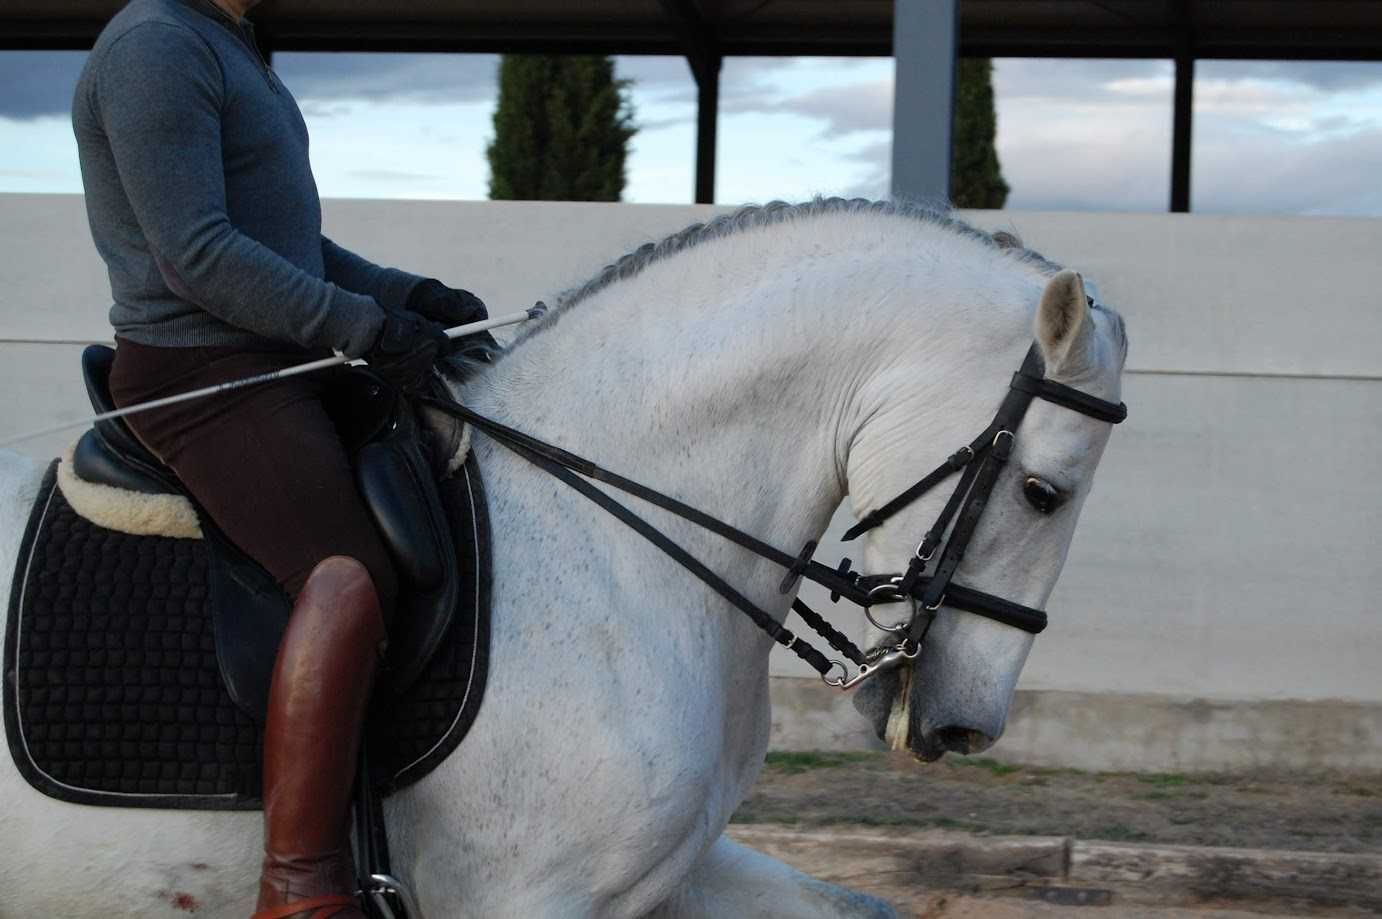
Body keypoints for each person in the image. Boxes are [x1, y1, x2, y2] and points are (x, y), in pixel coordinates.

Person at [72, 1, 489, 916]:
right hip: (205, 369)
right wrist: (364, 327)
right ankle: (298, 885)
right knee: (348, 573)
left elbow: (292, 247)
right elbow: (197, 255)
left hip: (277, 357)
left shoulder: (228, 44)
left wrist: (406, 294)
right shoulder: (155, 45)